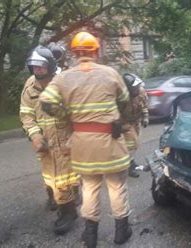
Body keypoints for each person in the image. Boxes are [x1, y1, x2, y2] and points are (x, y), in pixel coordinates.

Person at [39, 31, 132, 248]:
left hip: (82, 143)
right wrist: (117, 119)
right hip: (110, 141)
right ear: (96, 51)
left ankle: (90, 236)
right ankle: (121, 231)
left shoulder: (63, 77)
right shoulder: (110, 73)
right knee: (117, 186)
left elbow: (46, 102)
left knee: (89, 188)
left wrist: (68, 116)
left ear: (74, 53)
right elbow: (125, 100)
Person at [20, 45, 80, 235]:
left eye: (41, 67)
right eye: (34, 67)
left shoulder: (64, 82)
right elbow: (26, 115)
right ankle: (60, 198)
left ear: (50, 67)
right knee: (51, 175)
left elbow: (78, 110)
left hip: (66, 137)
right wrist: (35, 135)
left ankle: (68, 212)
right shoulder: (30, 86)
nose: (37, 71)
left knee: (64, 176)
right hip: (45, 140)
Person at [121, 73, 149, 178]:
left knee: (135, 145)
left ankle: (131, 162)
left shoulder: (141, 92)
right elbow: (116, 112)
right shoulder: (122, 97)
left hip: (136, 122)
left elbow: (144, 105)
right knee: (131, 145)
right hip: (125, 123)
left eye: (137, 86)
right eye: (134, 87)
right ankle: (128, 167)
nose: (137, 89)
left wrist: (145, 118)